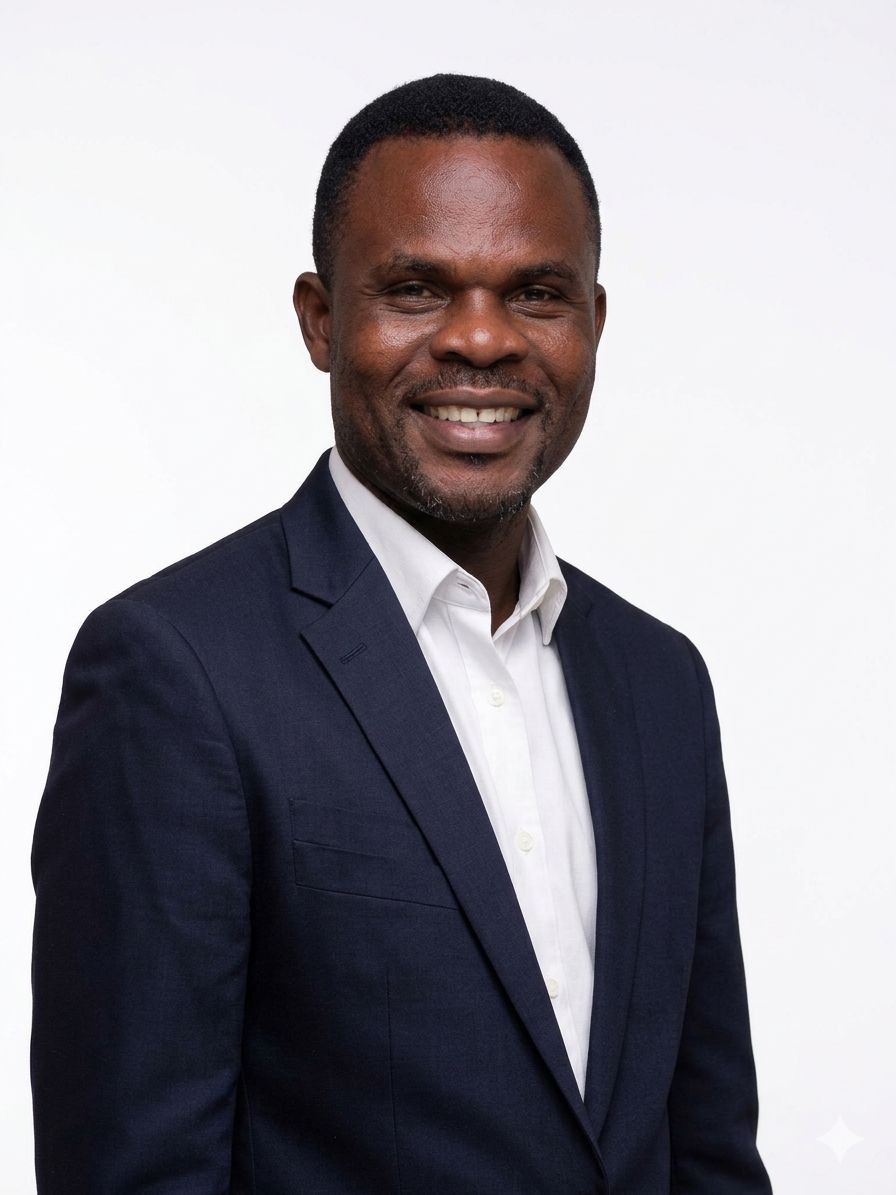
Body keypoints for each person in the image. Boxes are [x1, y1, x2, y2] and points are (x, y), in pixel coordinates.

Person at [31, 74, 772, 1194]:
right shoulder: (174, 671)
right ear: (320, 320)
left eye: (536, 294)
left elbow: (708, 1152)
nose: (480, 339)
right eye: (417, 289)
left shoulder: (659, 682)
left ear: (593, 322)